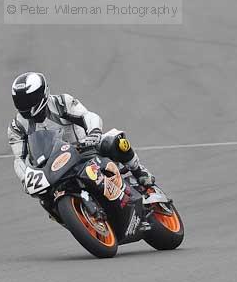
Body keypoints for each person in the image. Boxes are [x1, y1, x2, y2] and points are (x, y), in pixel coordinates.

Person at [8, 72, 154, 194]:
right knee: (44, 199)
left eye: (29, 99)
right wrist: (26, 178)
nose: (25, 105)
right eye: (20, 101)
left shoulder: (61, 103)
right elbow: (19, 159)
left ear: (42, 94)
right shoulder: (17, 126)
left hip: (85, 150)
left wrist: (94, 133)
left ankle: (139, 171)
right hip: (53, 169)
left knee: (117, 141)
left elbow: (88, 116)